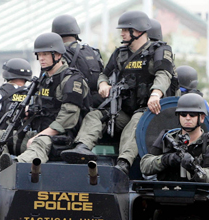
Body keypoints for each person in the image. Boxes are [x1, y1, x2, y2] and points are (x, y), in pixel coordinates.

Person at [62, 11, 175, 175]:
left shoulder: (159, 51)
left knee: (137, 122)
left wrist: (156, 94)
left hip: (151, 112)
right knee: (95, 115)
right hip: (125, 110)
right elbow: (104, 74)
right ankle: (82, 148)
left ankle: (123, 163)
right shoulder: (120, 54)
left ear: (137, 31)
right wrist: (103, 84)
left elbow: (164, 74)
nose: (121, 33)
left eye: (125, 29)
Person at [0, 32, 91, 173]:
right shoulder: (43, 80)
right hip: (39, 135)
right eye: (39, 55)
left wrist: (39, 136)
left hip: (62, 140)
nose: (41, 59)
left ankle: (13, 166)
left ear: (58, 55)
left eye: (45, 54)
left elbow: (67, 119)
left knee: (38, 142)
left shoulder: (71, 80)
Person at [139, 93, 209, 183]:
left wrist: (193, 167)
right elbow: (145, 165)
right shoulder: (167, 137)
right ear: (178, 117)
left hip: (198, 195)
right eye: (183, 114)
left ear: (202, 118)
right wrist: (167, 159)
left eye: (192, 114)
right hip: (165, 192)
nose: (187, 118)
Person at [52, 14, 104, 108]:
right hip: (96, 104)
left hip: (71, 104)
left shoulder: (56, 54)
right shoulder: (92, 52)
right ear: (76, 33)